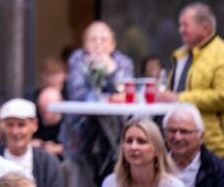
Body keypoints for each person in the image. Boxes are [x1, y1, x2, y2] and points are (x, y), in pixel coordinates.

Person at [60, 21, 135, 187]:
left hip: (115, 135)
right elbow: (77, 93)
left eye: (103, 39)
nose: (98, 44)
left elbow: (124, 93)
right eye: (93, 39)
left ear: (113, 44)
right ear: (84, 43)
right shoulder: (77, 59)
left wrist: (111, 70)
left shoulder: (123, 62)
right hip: (80, 132)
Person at [156, 2, 224, 157]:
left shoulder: (221, 54)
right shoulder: (181, 54)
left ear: (205, 27)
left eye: (185, 25)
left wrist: (179, 98)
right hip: (178, 142)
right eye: (180, 25)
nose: (181, 30)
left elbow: (222, 96)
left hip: (214, 145)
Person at [0, 99, 63, 187]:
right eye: (10, 125)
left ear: (35, 125)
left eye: (21, 125)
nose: (15, 132)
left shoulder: (48, 163)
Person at [101, 118, 183, 187]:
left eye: (141, 142)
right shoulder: (111, 183)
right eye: (129, 141)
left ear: (157, 149)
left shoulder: (173, 185)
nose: (133, 147)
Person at [163, 103, 224, 187]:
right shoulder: (154, 165)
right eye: (172, 131)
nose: (177, 137)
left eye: (184, 132)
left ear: (201, 136)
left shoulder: (218, 170)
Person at [31, 87, 63, 157]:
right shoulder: (35, 120)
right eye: (41, 109)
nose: (44, 114)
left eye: (47, 110)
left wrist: (58, 149)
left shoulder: (67, 125)